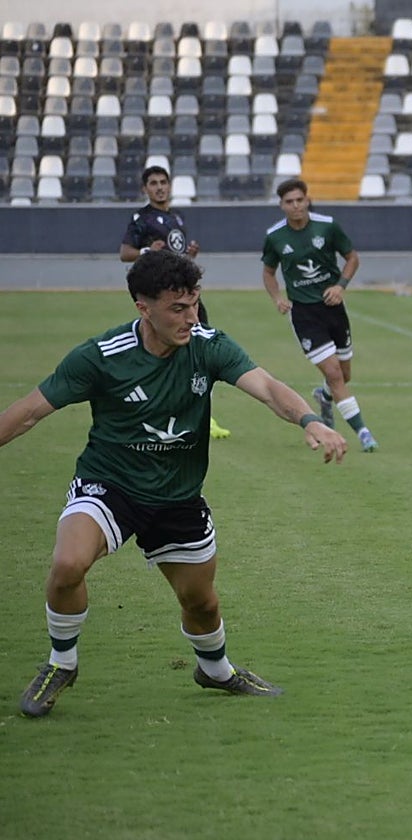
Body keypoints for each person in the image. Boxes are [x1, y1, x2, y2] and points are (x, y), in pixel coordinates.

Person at [2, 250, 347, 718]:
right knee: (67, 564)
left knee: (200, 602)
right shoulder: (101, 357)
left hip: (178, 496)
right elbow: (28, 413)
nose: (191, 318)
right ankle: (61, 663)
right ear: (143, 307)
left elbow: (267, 387)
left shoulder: (209, 346)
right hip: (111, 485)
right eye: (178, 308)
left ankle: (216, 671)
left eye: (195, 304)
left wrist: (310, 420)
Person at [261, 178, 379, 453]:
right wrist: (277, 298)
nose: (296, 206)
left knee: (344, 375)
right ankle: (363, 432)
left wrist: (340, 286)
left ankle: (324, 396)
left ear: (307, 200)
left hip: (333, 309)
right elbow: (268, 272)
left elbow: (352, 257)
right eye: (289, 202)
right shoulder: (275, 236)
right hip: (304, 314)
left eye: (299, 200)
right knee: (334, 373)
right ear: (281, 205)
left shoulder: (327, 226)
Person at [120, 165, 230, 441]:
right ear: (145, 189)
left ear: (169, 186)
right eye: (153, 183)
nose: (159, 187)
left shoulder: (176, 217)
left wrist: (188, 256)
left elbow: (175, 257)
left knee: (201, 352)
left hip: (187, 297)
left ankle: (203, 416)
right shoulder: (141, 219)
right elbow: (125, 253)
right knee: (169, 355)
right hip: (164, 302)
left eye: (163, 182)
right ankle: (165, 414)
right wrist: (147, 250)